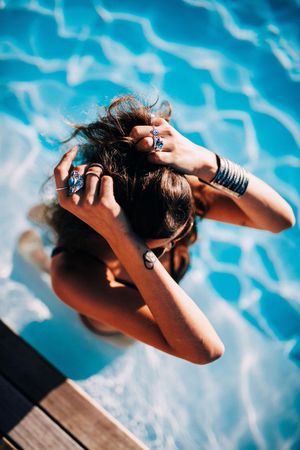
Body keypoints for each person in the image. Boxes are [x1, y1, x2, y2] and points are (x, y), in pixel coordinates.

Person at [28, 95, 295, 364]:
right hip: (106, 331)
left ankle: (45, 227)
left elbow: (280, 221)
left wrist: (208, 163)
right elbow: (205, 351)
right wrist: (122, 237)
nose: (175, 244)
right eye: (163, 242)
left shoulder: (168, 196)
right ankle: (39, 248)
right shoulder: (74, 275)